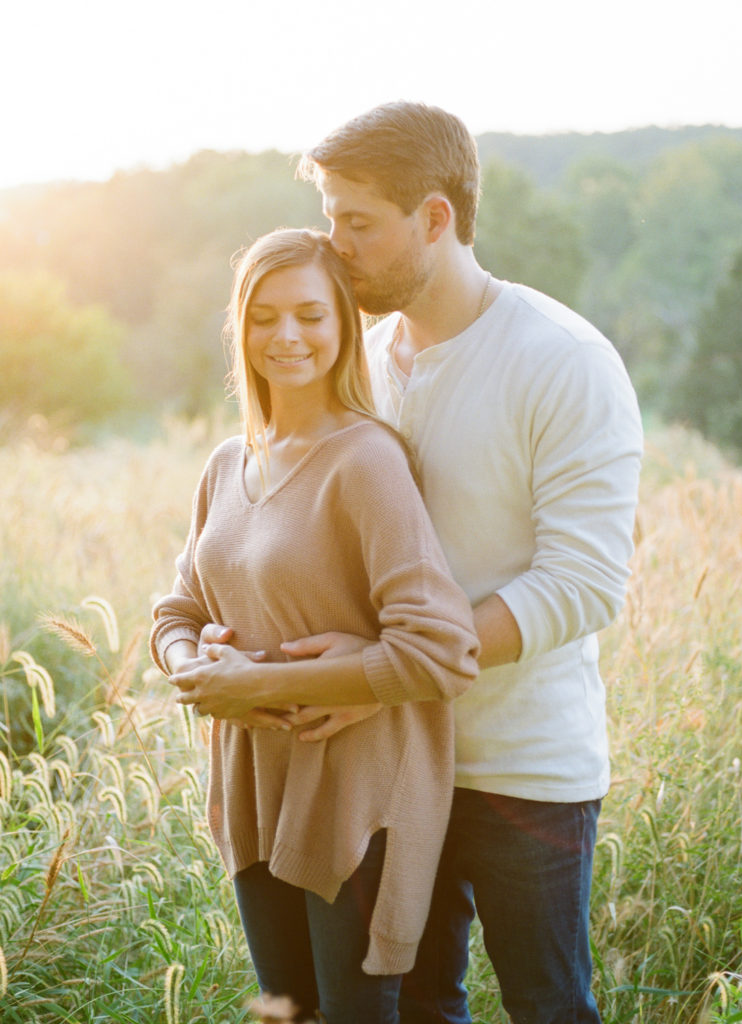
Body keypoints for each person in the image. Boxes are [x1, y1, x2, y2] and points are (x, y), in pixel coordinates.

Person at [290, 102, 643, 1024]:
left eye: (357, 222)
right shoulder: (358, 361)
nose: (335, 246)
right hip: (392, 762)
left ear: (435, 218)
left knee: (548, 1007)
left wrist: (379, 677)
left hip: (522, 765)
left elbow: (583, 583)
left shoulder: (562, 360)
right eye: (330, 218)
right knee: (413, 1009)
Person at [150, 228, 479, 1024]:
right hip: (254, 787)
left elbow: (439, 650)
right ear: (240, 328)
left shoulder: (365, 458)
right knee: (288, 1012)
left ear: (342, 329)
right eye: (263, 317)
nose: (285, 336)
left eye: (309, 315)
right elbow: (175, 613)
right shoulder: (228, 464)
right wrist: (196, 669)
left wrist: (255, 684)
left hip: (356, 792)